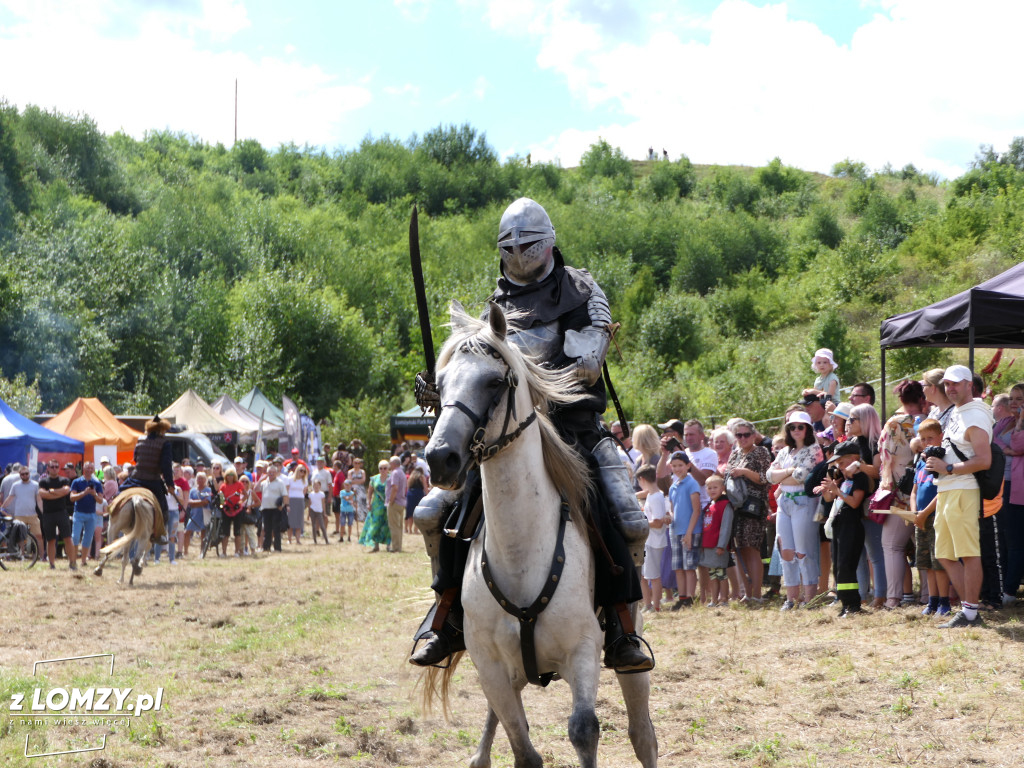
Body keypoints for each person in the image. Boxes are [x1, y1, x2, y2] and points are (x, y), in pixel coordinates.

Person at [410, 197, 652, 673]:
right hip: (508, 434)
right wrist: (442, 384)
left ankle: (623, 625)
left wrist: (530, 376)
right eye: (510, 246)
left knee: (626, 517)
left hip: (574, 427)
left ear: (548, 243)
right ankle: (446, 615)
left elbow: (584, 368)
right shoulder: (495, 306)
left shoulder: (582, 290)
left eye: (528, 244)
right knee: (434, 512)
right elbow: (479, 370)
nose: (519, 254)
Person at [925, 365, 993, 628]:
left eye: (956, 383)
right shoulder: (958, 411)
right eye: (947, 384)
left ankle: (971, 612)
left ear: (969, 385)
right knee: (944, 554)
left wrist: (949, 467)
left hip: (963, 488)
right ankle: (969, 611)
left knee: (968, 552)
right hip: (948, 489)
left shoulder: (975, 413)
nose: (950, 388)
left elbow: (984, 460)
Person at [767, 412, 824, 610]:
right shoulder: (784, 451)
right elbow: (769, 475)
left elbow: (801, 477)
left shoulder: (813, 450)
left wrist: (782, 476)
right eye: (792, 427)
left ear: (808, 428)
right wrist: (789, 473)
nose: (796, 430)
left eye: (801, 427)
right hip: (785, 503)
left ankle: (810, 599)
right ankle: (791, 599)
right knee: (787, 551)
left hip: (803, 501)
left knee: (804, 551)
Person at [819, 441, 870, 616]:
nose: (838, 467)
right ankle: (844, 603)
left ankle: (854, 604)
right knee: (839, 567)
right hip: (839, 525)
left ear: (854, 459)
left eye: (841, 462)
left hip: (852, 527)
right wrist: (829, 488)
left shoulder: (860, 478)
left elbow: (855, 502)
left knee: (847, 566)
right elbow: (828, 499)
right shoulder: (843, 479)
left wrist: (838, 491)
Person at [725, 419, 771, 603]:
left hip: (753, 505)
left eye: (746, 435)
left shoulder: (761, 451)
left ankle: (757, 593)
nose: (742, 438)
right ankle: (747, 592)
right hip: (736, 505)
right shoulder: (734, 454)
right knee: (738, 548)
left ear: (753, 435)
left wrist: (744, 472)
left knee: (752, 548)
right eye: (738, 435)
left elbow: (765, 478)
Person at [912, 419, 950, 616]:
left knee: (939, 562)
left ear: (941, 437)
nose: (927, 443)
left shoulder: (940, 461)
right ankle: (932, 600)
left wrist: (925, 512)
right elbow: (914, 490)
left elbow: (941, 491)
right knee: (925, 562)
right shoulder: (920, 461)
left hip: (935, 515)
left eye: (931, 438)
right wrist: (914, 513)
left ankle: (944, 601)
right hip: (920, 518)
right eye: (923, 439)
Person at [847, 402, 884, 607]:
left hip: (871, 501)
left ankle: (880, 595)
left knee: (875, 552)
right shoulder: (853, 442)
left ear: (865, 420)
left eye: (853, 419)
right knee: (858, 551)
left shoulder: (876, 443)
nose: (849, 423)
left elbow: (879, 471)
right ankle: (861, 594)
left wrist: (859, 466)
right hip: (853, 501)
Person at [118, 415, 174, 545]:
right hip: (152, 481)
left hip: (135, 478)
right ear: (162, 430)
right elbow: (166, 466)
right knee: (163, 508)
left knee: (119, 495)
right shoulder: (165, 443)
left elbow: (136, 458)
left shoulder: (140, 440)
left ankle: (111, 518)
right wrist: (170, 484)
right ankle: (159, 534)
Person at [667, 451, 701, 610]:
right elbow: (673, 509)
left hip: (690, 531)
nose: (677, 468)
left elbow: (696, 510)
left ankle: (690, 597)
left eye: (680, 465)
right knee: (678, 566)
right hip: (676, 530)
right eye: (674, 466)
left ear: (688, 466)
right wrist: (669, 516)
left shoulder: (692, 483)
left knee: (689, 567)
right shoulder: (673, 486)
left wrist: (689, 532)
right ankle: (682, 596)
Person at [635, 465, 667, 613]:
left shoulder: (656, 497)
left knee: (653, 576)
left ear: (642, 479)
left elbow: (658, 522)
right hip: (649, 540)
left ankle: (656, 606)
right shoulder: (652, 494)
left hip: (654, 541)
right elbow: (645, 492)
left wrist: (641, 523)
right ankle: (648, 605)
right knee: (644, 575)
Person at [699, 474, 734, 607]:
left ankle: (724, 598)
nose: (712, 490)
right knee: (712, 575)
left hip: (718, 546)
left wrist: (722, 545)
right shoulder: (709, 506)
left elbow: (726, 527)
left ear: (722, 488)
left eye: (715, 487)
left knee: (721, 574)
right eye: (709, 488)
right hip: (708, 546)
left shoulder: (725, 505)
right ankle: (714, 600)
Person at [37, 459, 77, 571]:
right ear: (48, 468)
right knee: (51, 540)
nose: (54, 469)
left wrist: (51, 491)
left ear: (59, 468)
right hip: (48, 514)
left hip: (61, 512)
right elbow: (42, 494)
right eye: (52, 467)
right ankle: (52, 564)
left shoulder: (64, 480)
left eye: (56, 467)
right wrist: (57, 493)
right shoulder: (43, 481)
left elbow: (66, 491)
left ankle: (72, 563)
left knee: (67, 538)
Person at [1, 465, 41, 558]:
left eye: (26, 473)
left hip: (25, 513)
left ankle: (36, 555)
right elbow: (9, 498)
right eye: (22, 474)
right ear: (19, 474)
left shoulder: (35, 484)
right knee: (24, 536)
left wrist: (2, 508)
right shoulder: (17, 485)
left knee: (35, 536)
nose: (24, 475)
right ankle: (25, 555)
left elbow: (2, 496)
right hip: (21, 513)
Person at [69, 461, 104, 569]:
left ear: (94, 470)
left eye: (91, 468)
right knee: (75, 537)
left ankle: (83, 561)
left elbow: (100, 500)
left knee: (88, 538)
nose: (89, 470)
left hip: (91, 514)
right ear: (83, 469)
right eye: (87, 468)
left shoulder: (97, 483)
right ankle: (73, 560)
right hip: (79, 513)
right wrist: (84, 493)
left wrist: (94, 494)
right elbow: (72, 497)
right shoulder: (76, 482)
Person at [359, 460, 391, 552]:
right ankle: (375, 545)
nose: (383, 470)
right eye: (381, 468)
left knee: (387, 524)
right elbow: (369, 492)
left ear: (388, 469)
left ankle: (388, 545)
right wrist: (368, 503)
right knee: (375, 523)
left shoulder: (391, 478)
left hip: (388, 504)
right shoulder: (374, 479)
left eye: (385, 468)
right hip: (377, 504)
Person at [259, 464, 288, 553]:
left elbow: (285, 495)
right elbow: (255, 489)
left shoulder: (280, 483)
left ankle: (277, 548)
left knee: (276, 529)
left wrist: (283, 506)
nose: (271, 474)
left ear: (276, 473)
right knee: (267, 529)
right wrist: (261, 479)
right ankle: (266, 547)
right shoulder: (264, 483)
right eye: (269, 472)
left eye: (273, 472)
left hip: (276, 509)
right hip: (266, 508)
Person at [184, 472, 212, 558]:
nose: (200, 480)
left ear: (205, 480)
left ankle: (202, 552)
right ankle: (185, 551)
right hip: (194, 514)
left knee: (203, 533)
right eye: (198, 478)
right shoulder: (193, 490)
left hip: (204, 514)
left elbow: (207, 501)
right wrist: (200, 502)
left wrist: (195, 503)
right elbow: (189, 502)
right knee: (187, 532)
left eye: (202, 478)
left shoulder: (208, 490)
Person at [219, 467, 246, 557]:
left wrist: (240, 503)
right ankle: (224, 552)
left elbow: (245, 495)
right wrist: (223, 505)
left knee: (237, 532)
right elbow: (221, 497)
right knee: (225, 532)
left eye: (231, 475)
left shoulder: (239, 484)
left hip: (237, 510)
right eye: (228, 476)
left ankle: (236, 552)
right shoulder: (223, 486)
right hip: (226, 510)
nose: (229, 477)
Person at [385, 456, 407, 553]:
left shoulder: (394, 473)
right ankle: (399, 546)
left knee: (393, 526)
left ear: (394, 464)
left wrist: (391, 500)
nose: (389, 465)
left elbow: (395, 488)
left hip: (395, 502)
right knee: (399, 526)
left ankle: (395, 547)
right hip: (402, 502)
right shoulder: (402, 472)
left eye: (390, 463)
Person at [284, 464, 309, 545]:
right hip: (291, 500)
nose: (302, 473)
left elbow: (304, 491)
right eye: (301, 470)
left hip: (300, 500)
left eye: (304, 471)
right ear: (297, 470)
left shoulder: (304, 481)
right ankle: (289, 539)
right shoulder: (290, 479)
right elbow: (287, 491)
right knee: (290, 520)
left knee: (299, 520)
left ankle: (298, 539)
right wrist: (287, 502)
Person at [406, 467, 428, 536]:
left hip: (410, 494)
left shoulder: (411, 476)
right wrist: (427, 495)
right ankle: (415, 530)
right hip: (418, 494)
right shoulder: (422, 477)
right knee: (417, 512)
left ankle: (409, 530)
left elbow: (408, 486)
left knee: (410, 512)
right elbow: (425, 487)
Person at [307, 479, 330, 544]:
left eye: (317, 485)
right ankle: (315, 540)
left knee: (322, 526)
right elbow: (309, 504)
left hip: (319, 511)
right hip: (312, 511)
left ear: (320, 486)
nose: (316, 486)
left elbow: (323, 503)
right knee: (313, 526)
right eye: (315, 485)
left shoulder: (321, 494)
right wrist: (308, 514)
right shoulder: (311, 494)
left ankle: (326, 540)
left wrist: (324, 512)